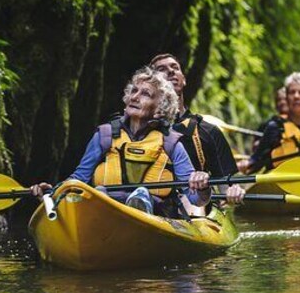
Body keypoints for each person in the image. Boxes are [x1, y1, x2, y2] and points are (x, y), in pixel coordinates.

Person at [29, 66, 212, 216]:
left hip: (153, 215)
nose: (134, 97)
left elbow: (196, 199)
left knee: (142, 194)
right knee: (97, 193)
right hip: (104, 206)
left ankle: (139, 206)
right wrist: (52, 192)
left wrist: (202, 186)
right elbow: (78, 179)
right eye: (134, 91)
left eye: (145, 94)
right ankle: (102, 210)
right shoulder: (105, 135)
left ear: (159, 109)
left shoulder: (171, 144)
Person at [149, 54, 245, 207]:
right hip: (149, 200)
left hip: (195, 206)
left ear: (184, 79)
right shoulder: (139, 127)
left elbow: (227, 187)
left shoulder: (208, 132)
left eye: (175, 68)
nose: (171, 71)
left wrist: (234, 192)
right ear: (151, 85)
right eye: (162, 69)